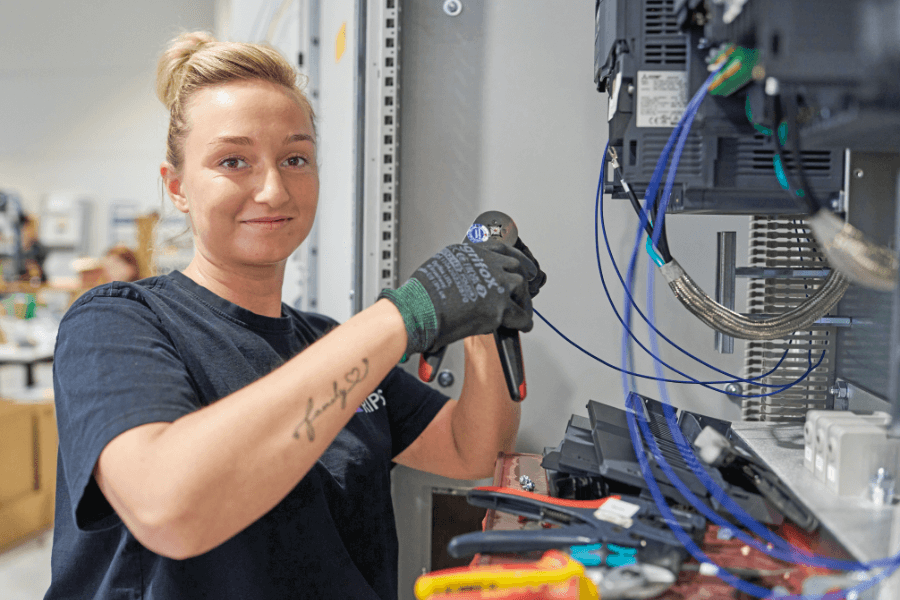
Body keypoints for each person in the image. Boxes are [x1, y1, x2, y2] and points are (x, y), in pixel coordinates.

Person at [45, 31, 545, 600]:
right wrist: (408, 311)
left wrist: (481, 314)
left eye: (295, 158)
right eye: (234, 161)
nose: (273, 189)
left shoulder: (326, 344)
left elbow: (470, 447)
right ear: (178, 186)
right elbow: (168, 507)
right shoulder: (116, 323)